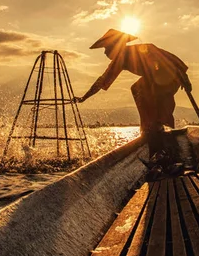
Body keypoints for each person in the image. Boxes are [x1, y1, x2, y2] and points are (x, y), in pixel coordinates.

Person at [74, 29, 192, 160]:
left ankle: (158, 141)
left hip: (169, 76)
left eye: (108, 47)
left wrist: (183, 77)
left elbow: (166, 58)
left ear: (117, 45)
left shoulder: (144, 49)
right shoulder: (119, 60)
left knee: (150, 101)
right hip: (158, 80)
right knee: (139, 91)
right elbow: (102, 80)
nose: (105, 52)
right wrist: (84, 97)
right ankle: (154, 134)